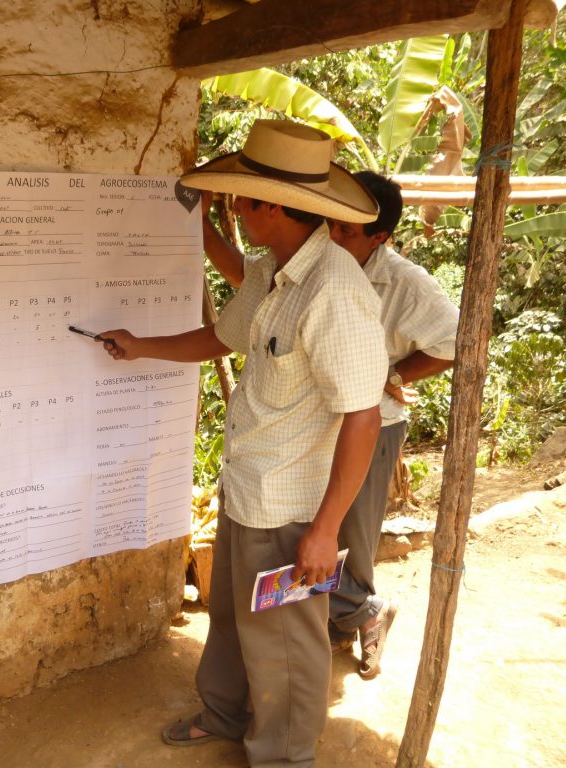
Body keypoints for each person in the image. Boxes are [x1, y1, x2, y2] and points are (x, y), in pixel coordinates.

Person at [99, 119, 388, 767]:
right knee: (231, 617)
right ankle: (225, 714)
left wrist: (325, 529)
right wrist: (139, 346)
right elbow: (223, 339)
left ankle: (284, 755)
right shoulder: (271, 274)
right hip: (248, 490)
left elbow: (363, 418)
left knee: (286, 646)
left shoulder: (335, 292)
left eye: (240, 198)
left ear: (274, 209)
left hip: (293, 512)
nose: (232, 208)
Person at [202, 171, 459, 680]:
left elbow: (455, 340)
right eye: (329, 224)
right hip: (318, 427)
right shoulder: (299, 270)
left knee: (345, 537)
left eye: (345, 230)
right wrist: (201, 224)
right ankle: (335, 617)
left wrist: (393, 375)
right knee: (318, 540)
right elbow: (242, 276)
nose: (332, 236)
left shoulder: (397, 282)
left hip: (371, 423)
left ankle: (363, 615)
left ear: (378, 236)